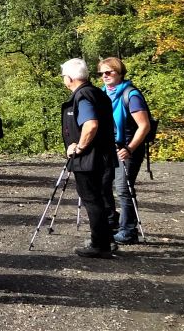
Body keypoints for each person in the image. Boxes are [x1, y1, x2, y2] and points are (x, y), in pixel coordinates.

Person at [60, 58, 118, 258]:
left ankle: (99, 244)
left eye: (63, 77)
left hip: (89, 159)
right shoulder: (97, 93)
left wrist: (79, 147)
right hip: (102, 156)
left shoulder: (83, 95)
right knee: (99, 199)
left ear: (69, 78)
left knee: (92, 199)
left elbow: (91, 124)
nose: (63, 80)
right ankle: (105, 239)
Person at [98, 57, 152, 245]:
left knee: (123, 189)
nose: (105, 76)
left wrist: (129, 148)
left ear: (120, 72)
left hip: (128, 148)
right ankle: (112, 220)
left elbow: (144, 126)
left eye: (109, 72)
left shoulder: (131, 95)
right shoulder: (104, 94)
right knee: (102, 184)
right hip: (110, 148)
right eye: (101, 73)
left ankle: (129, 231)